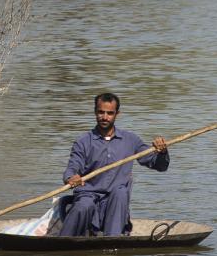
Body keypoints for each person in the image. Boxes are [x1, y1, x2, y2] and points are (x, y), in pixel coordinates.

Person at [59, 92, 169, 237]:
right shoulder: (83, 141)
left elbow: (159, 166)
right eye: (101, 112)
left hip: (115, 200)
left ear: (117, 114)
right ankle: (62, 244)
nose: (105, 117)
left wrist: (162, 152)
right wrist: (71, 177)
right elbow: (73, 166)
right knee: (83, 205)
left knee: (120, 193)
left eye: (110, 113)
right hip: (89, 195)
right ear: (95, 112)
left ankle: (113, 240)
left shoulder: (130, 139)